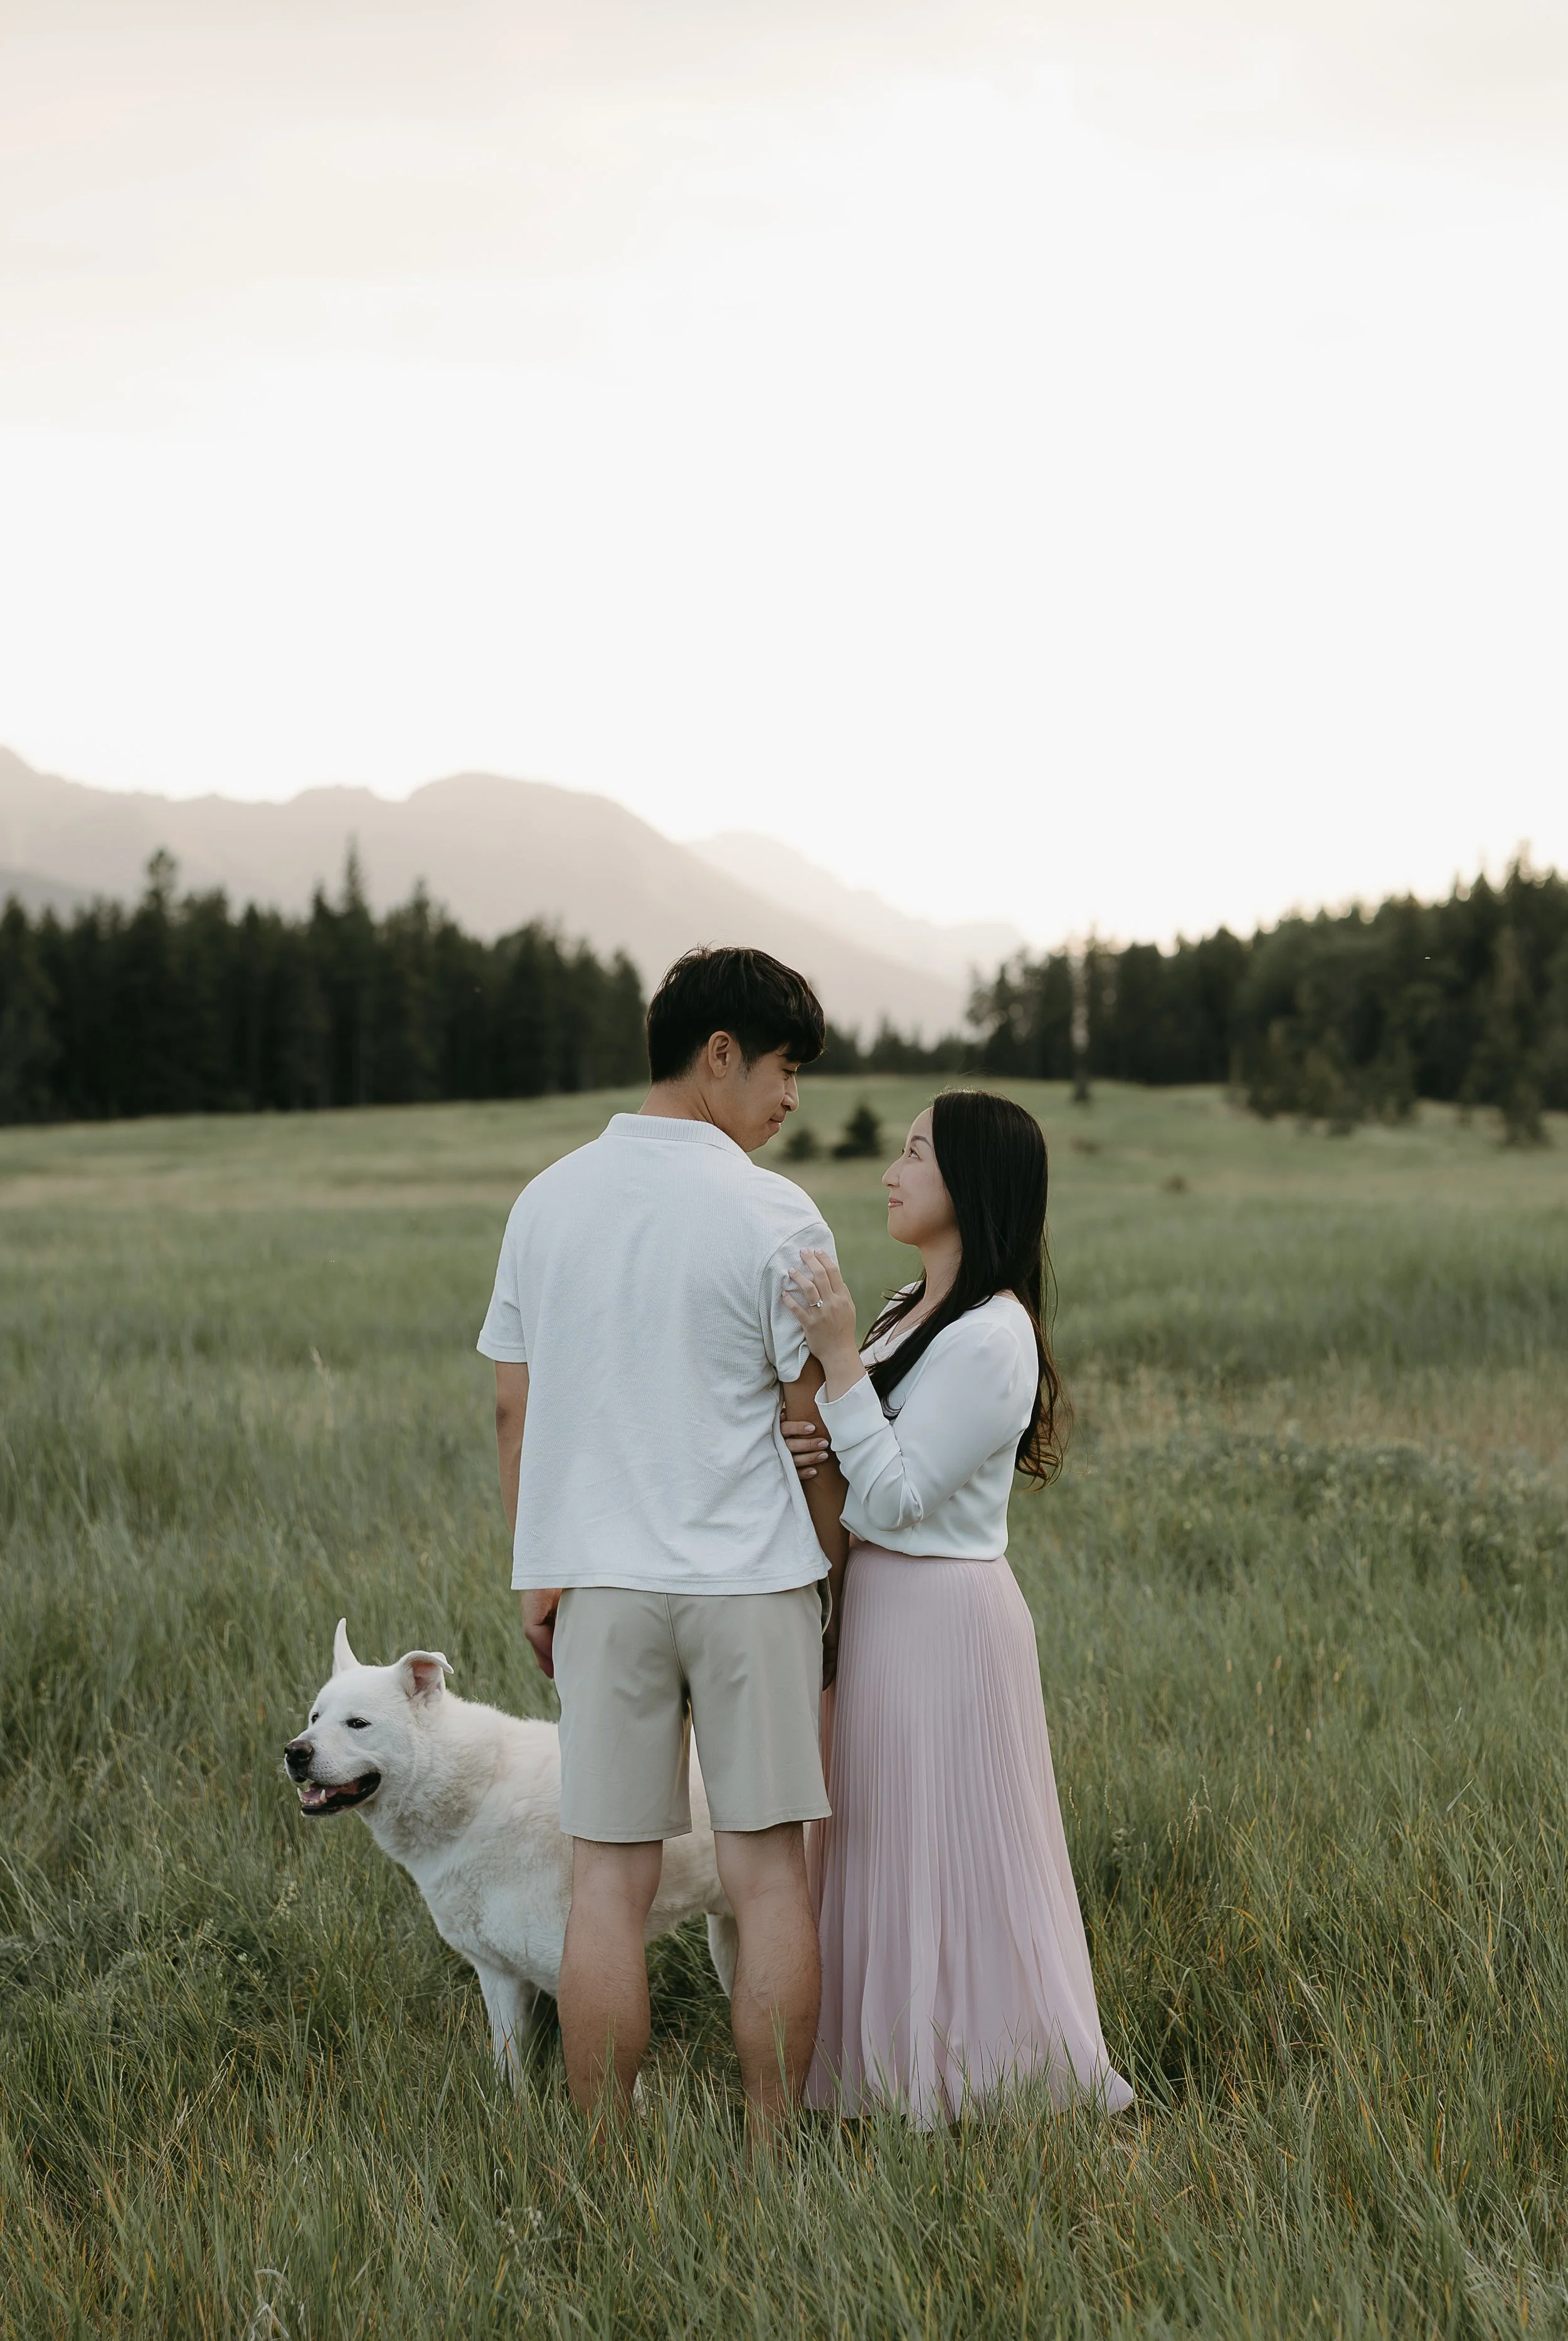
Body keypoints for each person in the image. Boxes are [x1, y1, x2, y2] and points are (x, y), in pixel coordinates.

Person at [477, 946, 850, 2127]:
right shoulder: (776, 1210)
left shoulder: (546, 1199)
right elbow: (811, 1425)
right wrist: (831, 1577)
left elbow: (510, 1408)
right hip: (751, 1585)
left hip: (598, 1583)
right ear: (720, 1053)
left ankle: (604, 2170)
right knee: (768, 1876)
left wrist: (538, 1574)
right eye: (786, 1069)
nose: (793, 1100)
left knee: (609, 1887)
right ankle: (772, 2164)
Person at [781, 1089, 1133, 2126]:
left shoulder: (994, 1334)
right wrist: (822, 1439)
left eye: (916, 1152)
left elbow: (896, 1495)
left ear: (970, 1184)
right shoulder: (908, 1305)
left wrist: (840, 1362)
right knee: (877, 1843)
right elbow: (869, 1454)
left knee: (953, 1846)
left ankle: (984, 2070)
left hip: (943, 1616)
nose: (892, 1170)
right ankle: (877, 2075)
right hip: (883, 1607)